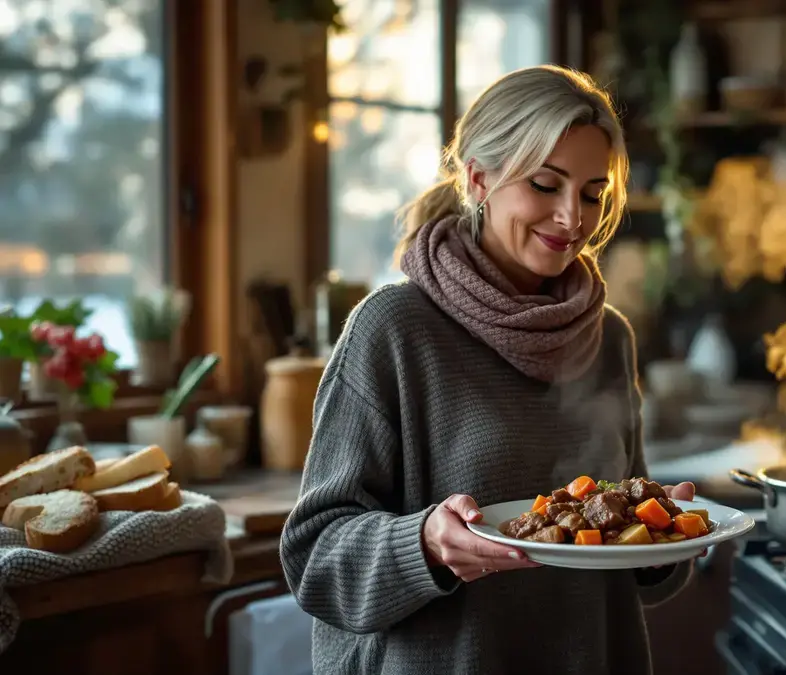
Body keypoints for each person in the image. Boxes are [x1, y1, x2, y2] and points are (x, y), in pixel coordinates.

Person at [280, 65, 698, 675]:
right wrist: (423, 542)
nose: (571, 218)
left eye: (590, 193)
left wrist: (664, 538)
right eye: (545, 185)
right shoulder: (393, 329)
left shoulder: (608, 337)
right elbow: (315, 558)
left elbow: (633, 563)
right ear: (479, 179)